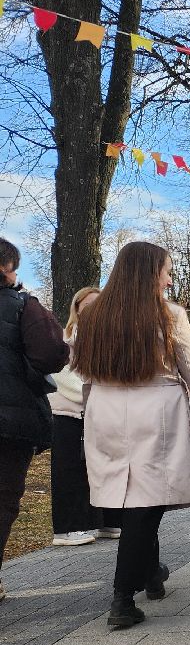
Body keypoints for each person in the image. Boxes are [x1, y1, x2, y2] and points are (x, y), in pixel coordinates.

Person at [71, 241, 190, 629]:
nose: (170, 280)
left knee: (130, 495)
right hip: (156, 410)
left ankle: (151, 572)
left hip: (105, 410)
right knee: (146, 502)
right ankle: (122, 596)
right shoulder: (169, 315)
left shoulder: (93, 314)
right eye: (167, 272)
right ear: (151, 273)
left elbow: (80, 367)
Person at [0, 238, 68, 600]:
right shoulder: (23, 306)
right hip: (11, 421)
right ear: (6, 268)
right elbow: (49, 355)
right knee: (3, 496)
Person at [50, 286, 121, 545]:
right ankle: (65, 529)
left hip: (100, 414)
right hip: (69, 414)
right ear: (77, 308)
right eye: (87, 305)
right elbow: (62, 377)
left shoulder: (109, 341)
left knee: (102, 469)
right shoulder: (67, 340)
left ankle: (107, 522)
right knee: (68, 470)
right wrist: (94, 393)